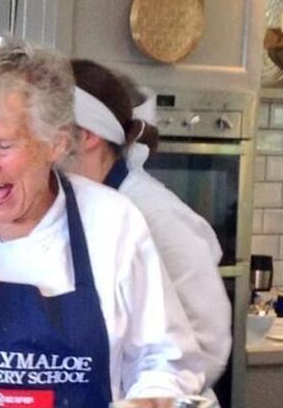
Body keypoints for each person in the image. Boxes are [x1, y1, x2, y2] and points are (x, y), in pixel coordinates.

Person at [0, 37, 205, 407]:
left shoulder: (112, 223)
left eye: (4, 146)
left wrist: (148, 401)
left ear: (56, 145)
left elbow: (164, 361)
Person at [68, 59, 231, 398]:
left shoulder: (155, 213)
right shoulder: (74, 207)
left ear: (87, 136)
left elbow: (208, 344)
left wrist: (146, 395)